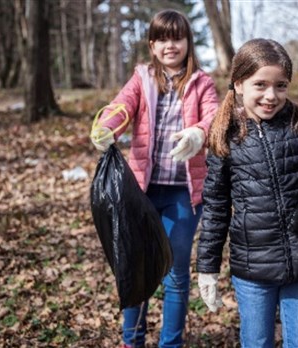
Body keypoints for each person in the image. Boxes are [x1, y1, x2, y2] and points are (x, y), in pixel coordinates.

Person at [196, 38, 298, 348]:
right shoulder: (226, 138)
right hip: (253, 270)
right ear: (239, 84)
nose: (271, 96)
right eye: (260, 84)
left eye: (281, 86)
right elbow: (216, 208)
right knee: (256, 342)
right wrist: (207, 267)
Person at [90, 10, 219, 348]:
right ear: (152, 45)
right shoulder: (142, 77)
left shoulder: (202, 82)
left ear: (188, 42)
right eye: (162, 38)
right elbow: (122, 106)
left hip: (183, 195)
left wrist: (197, 134)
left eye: (177, 37)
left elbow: (215, 118)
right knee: (135, 266)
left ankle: (170, 343)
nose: (170, 45)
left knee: (175, 273)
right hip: (140, 193)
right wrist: (106, 126)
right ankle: (131, 341)